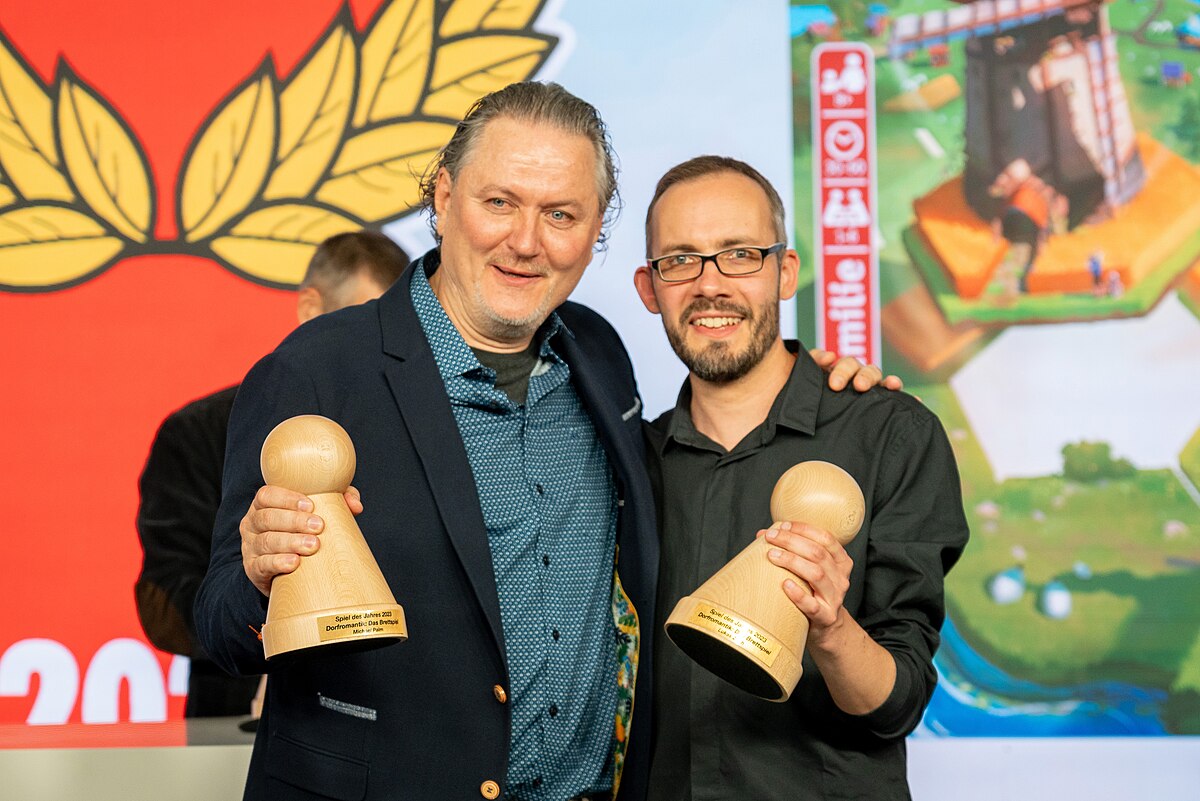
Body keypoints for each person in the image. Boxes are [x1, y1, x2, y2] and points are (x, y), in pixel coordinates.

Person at [192, 83, 888, 801]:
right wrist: (257, 572)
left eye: (561, 214)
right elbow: (222, 630)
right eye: (500, 202)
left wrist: (827, 389)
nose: (526, 242)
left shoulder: (600, 354)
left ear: (594, 235)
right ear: (444, 195)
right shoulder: (317, 369)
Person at [632, 156, 969, 800]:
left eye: (740, 254)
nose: (710, 285)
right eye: (681, 259)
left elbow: (898, 703)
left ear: (785, 273)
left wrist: (831, 626)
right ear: (650, 289)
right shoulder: (625, 461)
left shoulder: (890, 435)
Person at [134, 230, 409, 718]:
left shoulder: (412, 431)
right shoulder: (198, 432)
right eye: (363, 318)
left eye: (396, 327)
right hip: (240, 718)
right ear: (309, 308)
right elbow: (168, 601)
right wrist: (270, 614)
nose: (380, 343)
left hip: (396, 719)